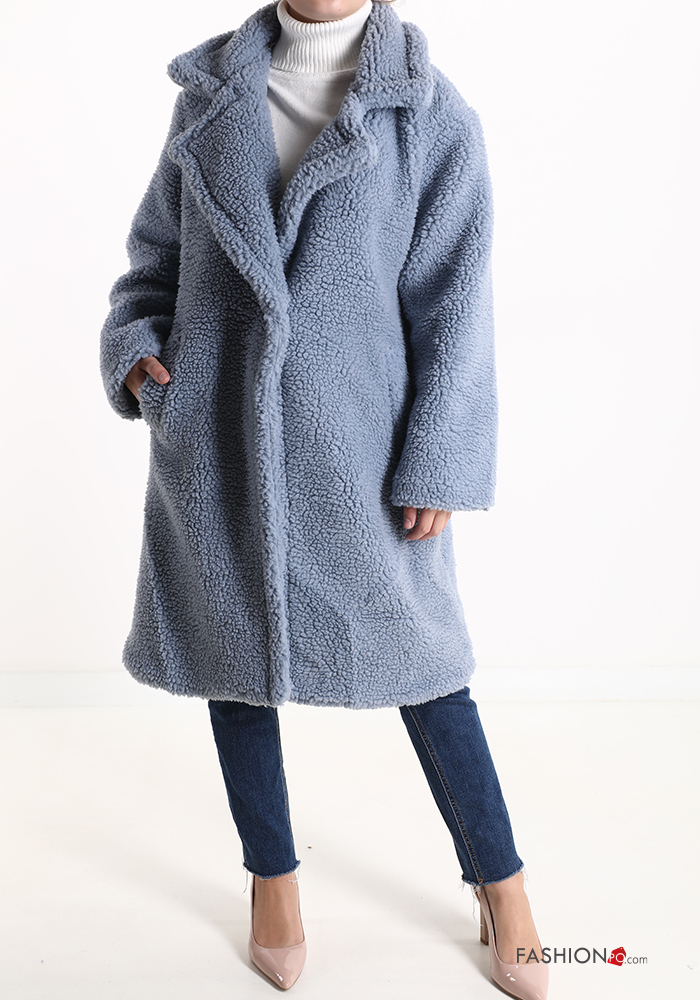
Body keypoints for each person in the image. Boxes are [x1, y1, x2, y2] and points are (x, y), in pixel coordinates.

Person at [100, 1, 549, 996]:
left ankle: (502, 881)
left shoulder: (429, 113)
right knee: (233, 665)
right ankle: (272, 877)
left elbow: (456, 301)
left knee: (427, 668)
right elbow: (154, 261)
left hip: (362, 452)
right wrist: (137, 356)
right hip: (216, 436)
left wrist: (439, 457)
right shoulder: (209, 96)